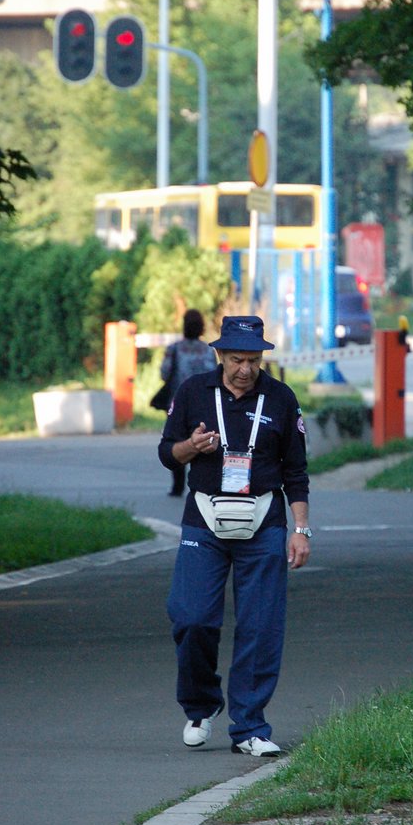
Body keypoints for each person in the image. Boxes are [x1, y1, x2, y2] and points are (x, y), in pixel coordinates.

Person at [158, 315, 311, 758]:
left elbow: (296, 473)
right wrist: (192, 447)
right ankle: (201, 705)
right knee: (190, 617)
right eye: (236, 359)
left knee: (261, 626)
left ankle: (249, 727)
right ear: (219, 356)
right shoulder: (193, 393)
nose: (245, 368)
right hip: (204, 518)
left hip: (264, 519)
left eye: (254, 359)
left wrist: (300, 529)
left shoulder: (281, 398)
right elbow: (168, 454)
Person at [160, 309, 217, 496]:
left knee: (177, 442)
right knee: (203, 440)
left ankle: (177, 486)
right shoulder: (209, 350)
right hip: (205, 403)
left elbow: (164, 373)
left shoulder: (174, 349)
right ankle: (202, 484)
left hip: (176, 402)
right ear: (202, 327)